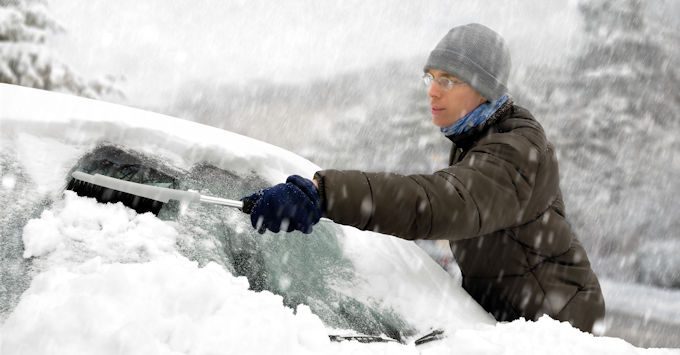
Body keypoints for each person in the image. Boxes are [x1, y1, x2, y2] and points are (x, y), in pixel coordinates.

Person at [240, 23, 605, 333]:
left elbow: (438, 203)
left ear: (485, 89)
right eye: (431, 77)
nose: (432, 89)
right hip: (520, 324)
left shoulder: (515, 150)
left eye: (448, 80)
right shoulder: (477, 138)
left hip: (559, 328)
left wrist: (326, 194)